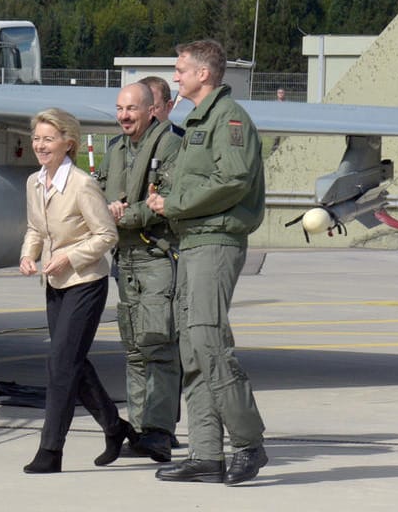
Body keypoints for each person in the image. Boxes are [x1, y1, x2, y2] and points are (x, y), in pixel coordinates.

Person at [146, 39, 269, 485]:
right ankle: (204, 453)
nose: (175, 76)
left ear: (204, 74)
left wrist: (174, 202)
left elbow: (233, 179)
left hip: (216, 241)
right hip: (194, 242)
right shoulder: (198, 119)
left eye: (180, 69)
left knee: (210, 345)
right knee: (193, 350)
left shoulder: (229, 119)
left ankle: (248, 444)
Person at [18, 107, 126, 474]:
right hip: (54, 282)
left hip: (85, 282)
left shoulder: (81, 184)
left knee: (61, 364)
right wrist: (28, 256)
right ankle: (115, 427)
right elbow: (36, 229)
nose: (40, 145)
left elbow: (106, 235)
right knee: (71, 362)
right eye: (36, 138)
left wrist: (70, 257)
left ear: (69, 143)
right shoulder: (34, 182)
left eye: (48, 139)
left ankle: (51, 451)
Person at [97, 82, 181, 462]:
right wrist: (105, 210)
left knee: (158, 344)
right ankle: (141, 429)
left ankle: (160, 432)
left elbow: (163, 201)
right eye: (119, 109)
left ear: (151, 110)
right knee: (133, 347)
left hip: (156, 256)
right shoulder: (114, 148)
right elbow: (101, 192)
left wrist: (121, 215)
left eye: (131, 109)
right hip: (125, 258)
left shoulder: (171, 143)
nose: (124, 116)